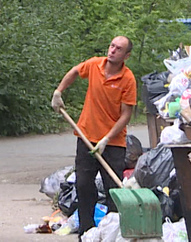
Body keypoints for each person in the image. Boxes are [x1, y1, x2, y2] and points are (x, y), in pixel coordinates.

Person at [51, 36, 137, 236]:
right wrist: (58, 91)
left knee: (113, 191)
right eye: (112, 45)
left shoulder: (128, 79)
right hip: (86, 136)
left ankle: (112, 233)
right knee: (83, 186)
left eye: (119, 48)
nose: (113, 50)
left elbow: (126, 115)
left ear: (127, 55)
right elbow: (74, 71)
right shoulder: (95, 65)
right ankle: (86, 233)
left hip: (113, 143)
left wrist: (107, 138)